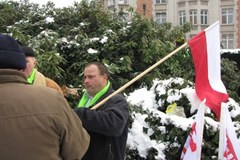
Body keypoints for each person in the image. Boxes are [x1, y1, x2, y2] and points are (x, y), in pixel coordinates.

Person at [0, 34, 90, 160]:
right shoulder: (53, 99)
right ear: (19, 64)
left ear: (34, 63)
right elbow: (77, 149)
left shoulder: (50, 86)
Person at [75, 61, 129, 160]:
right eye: (85, 77)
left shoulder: (116, 100)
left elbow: (114, 125)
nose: (86, 81)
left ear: (104, 78)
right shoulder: (85, 100)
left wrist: (81, 114)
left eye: (91, 77)